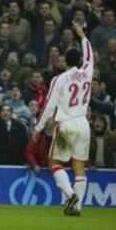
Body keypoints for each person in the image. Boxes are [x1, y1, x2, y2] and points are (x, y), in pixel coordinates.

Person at [32, 24, 93, 216]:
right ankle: (77, 207)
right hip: (83, 124)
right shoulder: (87, 73)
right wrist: (82, 36)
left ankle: (69, 193)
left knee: (54, 162)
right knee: (79, 167)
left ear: (64, 60)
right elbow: (90, 56)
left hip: (66, 124)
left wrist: (38, 127)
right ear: (79, 60)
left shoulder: (60, 79)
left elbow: (49, 106)